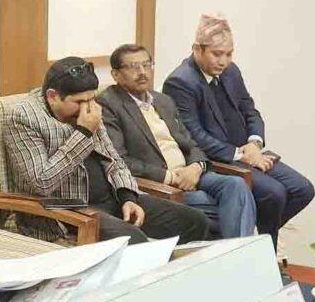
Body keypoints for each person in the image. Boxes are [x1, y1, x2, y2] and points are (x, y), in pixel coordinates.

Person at [4, 57, 208, 244]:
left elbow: (114, 159)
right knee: (133, 240)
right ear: (52, 96)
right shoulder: (24, 118)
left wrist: (128, 197)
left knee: (193, 221)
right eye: (79, 102)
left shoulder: (91, 108)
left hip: (112, 198)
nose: (88, 108)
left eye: (91, 99)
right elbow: (42, 182)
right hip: (68, 207)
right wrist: (84, 132)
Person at [163, 14, 314, 249]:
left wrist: (255, 143)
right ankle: (263, 251)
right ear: (197, 49)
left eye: (229, 54)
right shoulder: (180, 82)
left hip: (248, 154)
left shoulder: (231, 72)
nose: (223, 61)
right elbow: (193, 136)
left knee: (302, 189)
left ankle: (257, 243)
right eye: (217, 54)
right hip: (218, 160)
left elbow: (250, 110)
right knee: (274, 193)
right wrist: (242, 155)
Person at [98, 44, 257, 238]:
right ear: (116, 74)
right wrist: (171, 177)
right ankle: (238, 254)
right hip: (161, 185)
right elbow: (120, 160)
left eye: (146, 65)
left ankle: (234, 252)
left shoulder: (163, 100)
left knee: (236, 186)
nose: (142, 72)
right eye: (133, 67)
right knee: (238, 206)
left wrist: (196, 167)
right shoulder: (108, 104)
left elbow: (190, 143)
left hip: (191, 174)